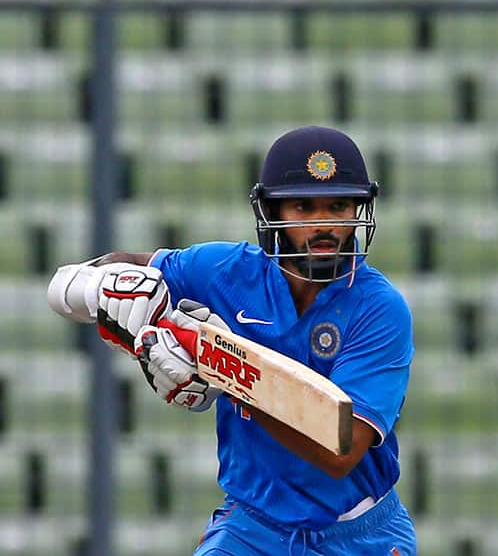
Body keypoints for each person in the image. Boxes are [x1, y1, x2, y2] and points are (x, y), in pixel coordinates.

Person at [46, 126, 417, 555]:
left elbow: (340, 449)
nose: (324, 225)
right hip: (252, 529)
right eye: (303, 207)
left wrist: (226, 368)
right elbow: (88, 279)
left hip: (357, 534)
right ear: (272, 212)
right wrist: (100, 286)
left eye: (338, 206)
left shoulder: (379, 309)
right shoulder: (225, 271)